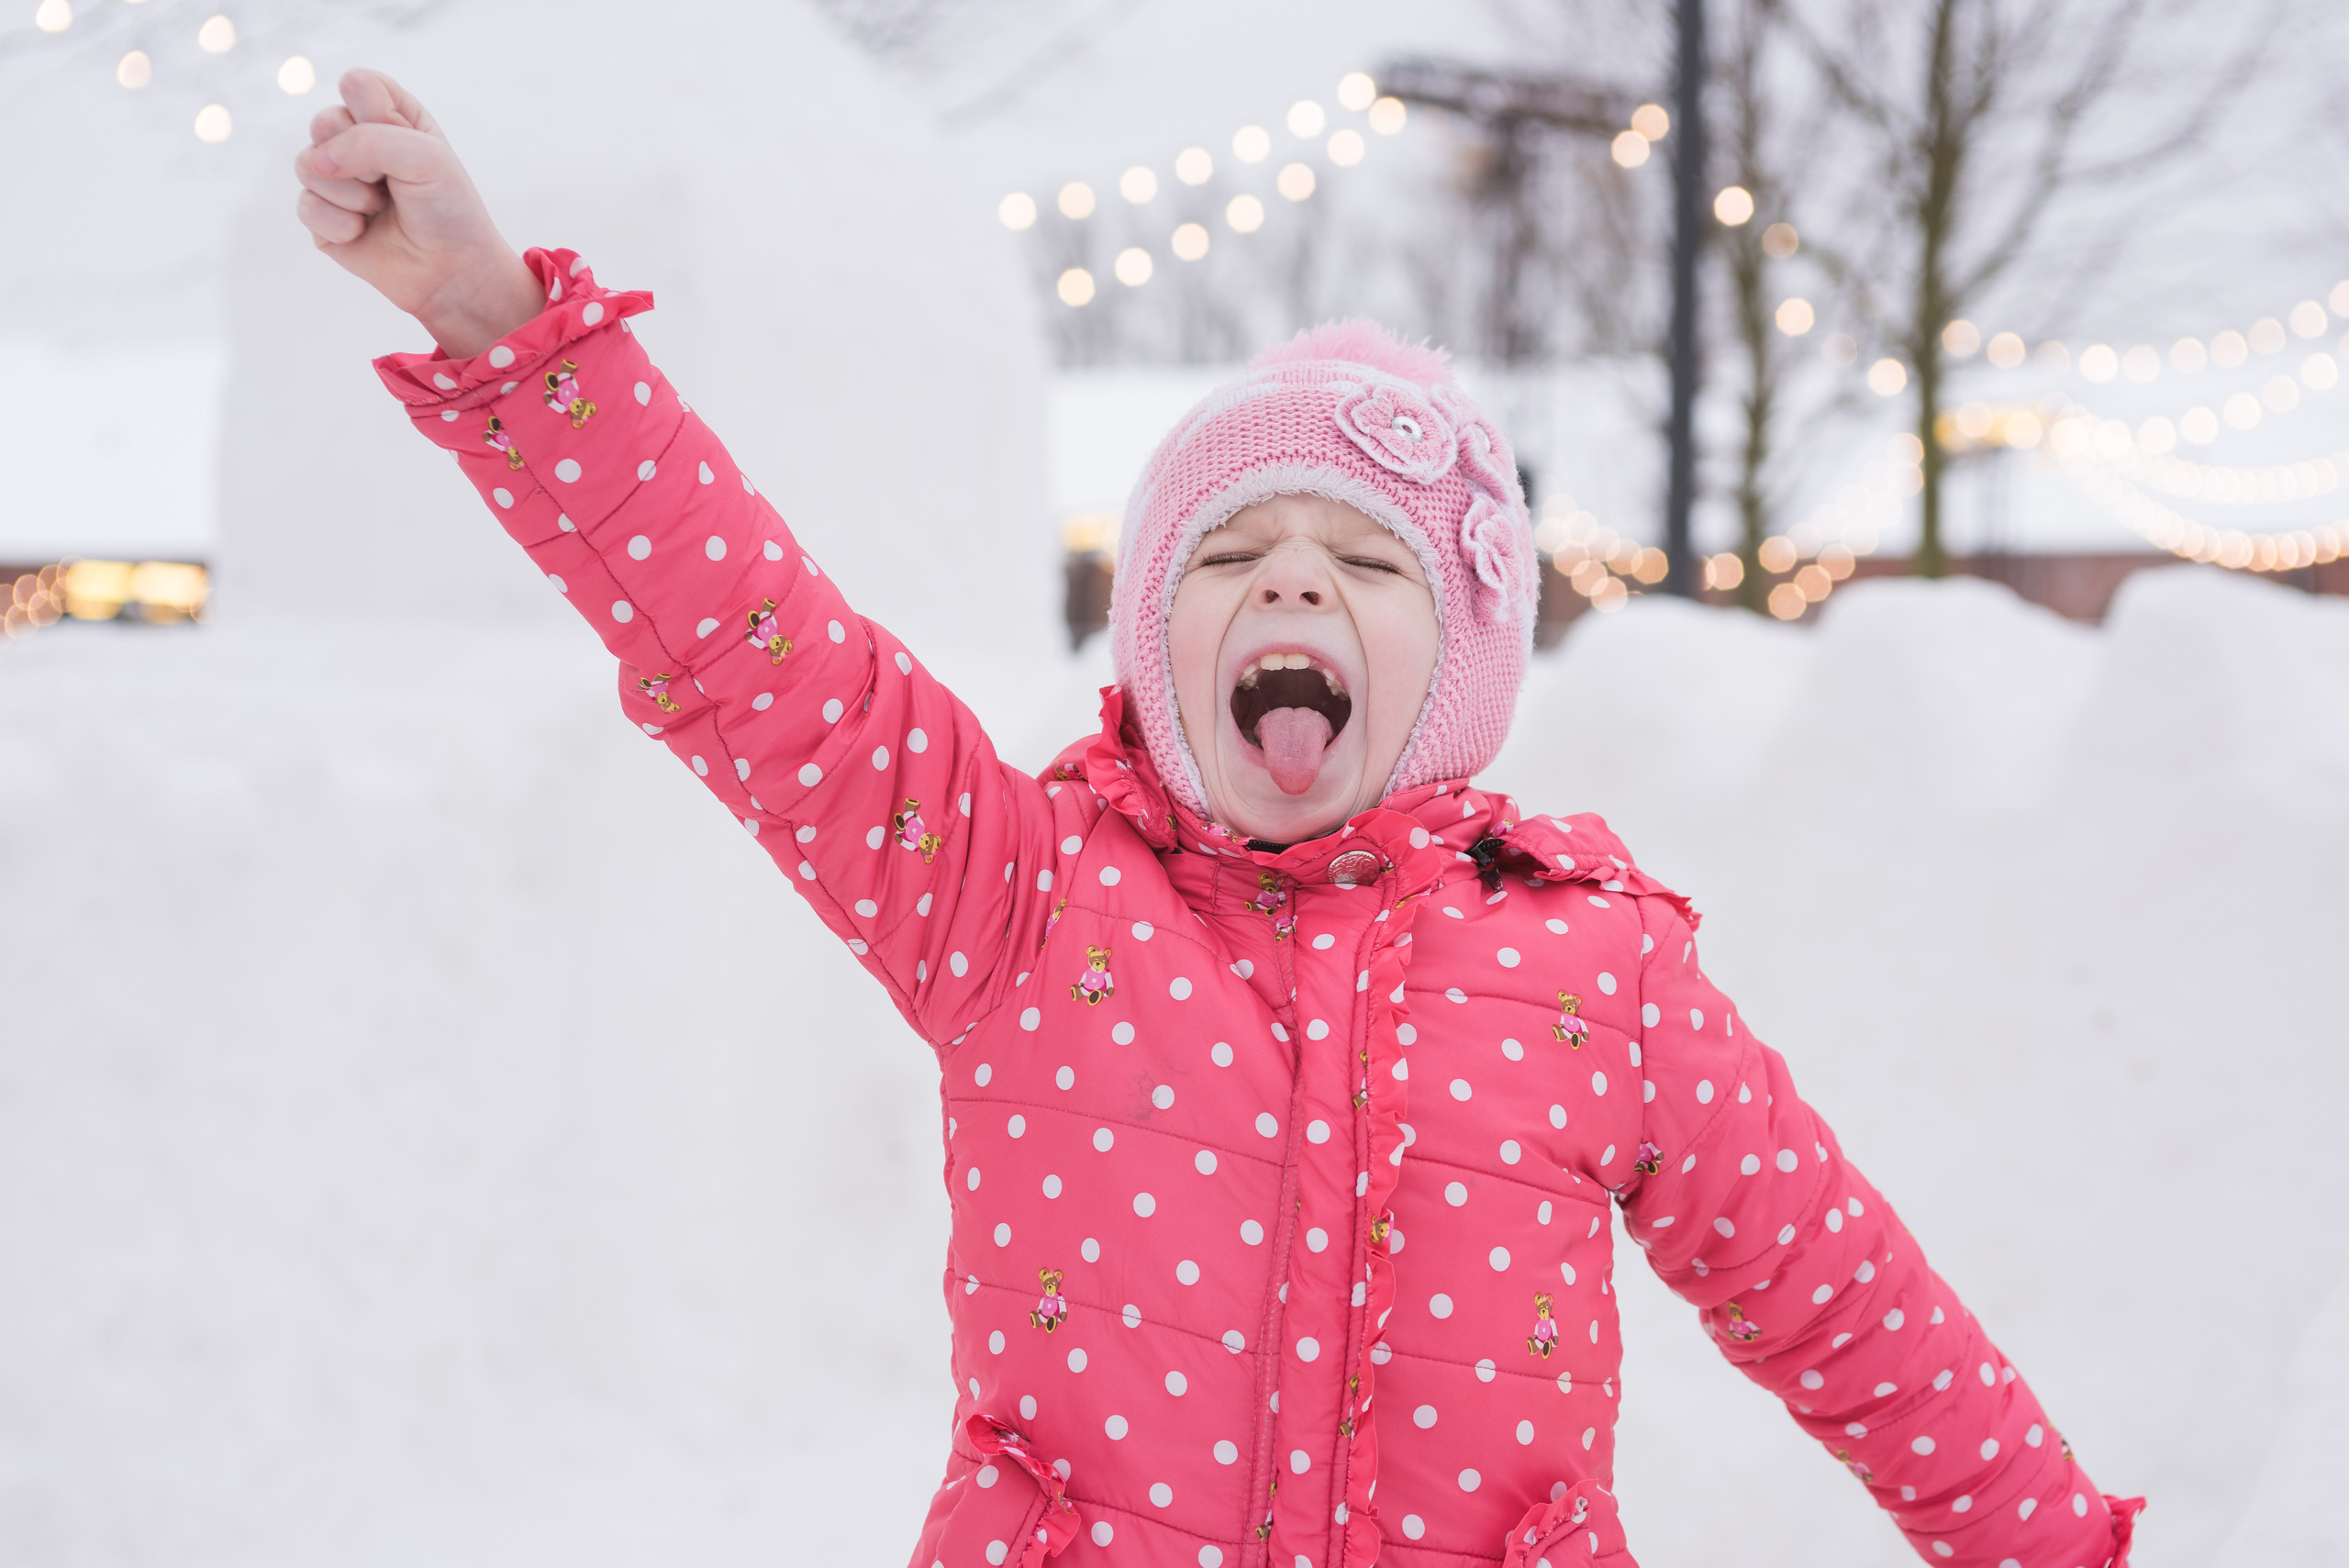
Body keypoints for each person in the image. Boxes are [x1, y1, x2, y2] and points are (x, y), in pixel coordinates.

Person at [294, 66, 2142, 1568]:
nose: (1293, 584)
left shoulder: (1596, 973)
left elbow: (1849, 1308)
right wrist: (500, 324)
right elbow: (756, 651)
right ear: (1151, 638)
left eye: (1368, 561)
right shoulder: (1017, 901)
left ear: (1466, 660)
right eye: (1230, 551)